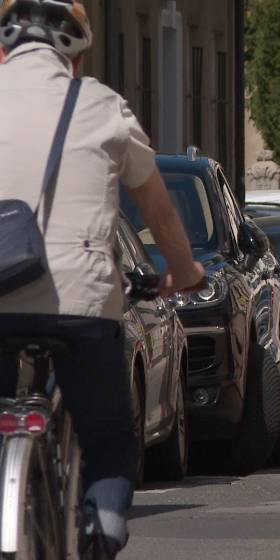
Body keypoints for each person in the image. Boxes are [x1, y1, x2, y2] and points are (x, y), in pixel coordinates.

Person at [0, 1, 204, 558]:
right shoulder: (102, 106)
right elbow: (157, 208)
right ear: (75, 55)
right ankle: (103, 532)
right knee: (110, 445)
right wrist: (183, 272)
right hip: (82, 301)